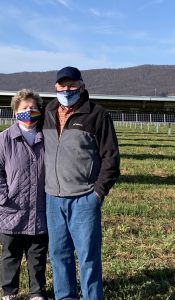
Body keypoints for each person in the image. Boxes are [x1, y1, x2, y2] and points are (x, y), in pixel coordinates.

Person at [43, 67, 121, 299]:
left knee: (88, 257)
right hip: (53, 198)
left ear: (82, 86)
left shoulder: (97, 115)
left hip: (84, 198)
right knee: (59, 254)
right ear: (56, 87)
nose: (67, 90)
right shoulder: (47, 111)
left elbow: (111, 158)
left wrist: (97, 193)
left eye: (71, 85)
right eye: (62, 86)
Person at [0, 89, 48, 300]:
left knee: (37, 255)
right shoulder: (5, 139)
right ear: (15, 112)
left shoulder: (48, 138)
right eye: (24, 108)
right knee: (10, 254)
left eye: (33, 108)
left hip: (39, 208)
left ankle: (37, 293)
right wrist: (3, 197)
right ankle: (9, 292)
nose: (29, 111)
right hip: (11, 209)